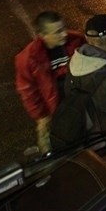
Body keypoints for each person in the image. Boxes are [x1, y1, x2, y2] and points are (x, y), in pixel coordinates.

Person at [15, 11, 85, 154]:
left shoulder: (77, 40)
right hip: (54, 110)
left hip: (78, 102)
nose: (64, 34)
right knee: (54, 149)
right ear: (43, 35)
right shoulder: (28, 59)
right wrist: (41, 117)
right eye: (58, 32)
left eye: (63, 28)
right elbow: (28, 92)